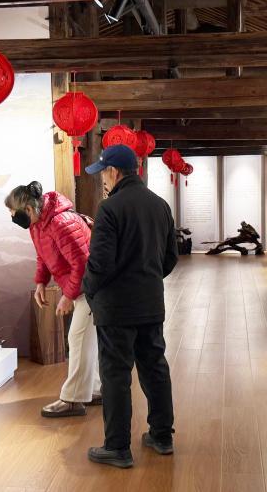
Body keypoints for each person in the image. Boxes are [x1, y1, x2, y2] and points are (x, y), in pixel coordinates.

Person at [82, 145, 179, 469]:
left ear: (114, 171)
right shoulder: (160, 205)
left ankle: (117, 447)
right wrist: (147, 280)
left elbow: (100, 263)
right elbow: (170, 258)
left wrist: (88, 289)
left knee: (116, 375)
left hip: (116, 308)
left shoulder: (109, 209)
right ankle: (162, 436)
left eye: (103, 174)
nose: (103, 181)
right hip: (150, 303)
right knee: (155, 367)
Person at [5, 181, 101, 417]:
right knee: (85, 339)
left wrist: (67, 296)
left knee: (78, 337)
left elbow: (82, 264)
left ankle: (73, 400)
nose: (12, 218)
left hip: (93, 287)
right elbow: (43, 255)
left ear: (28, 209)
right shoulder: (38, 224)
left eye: (13, 213)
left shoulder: (61, 222)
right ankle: (96, 389)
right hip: (82, 287)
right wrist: (40, 282)